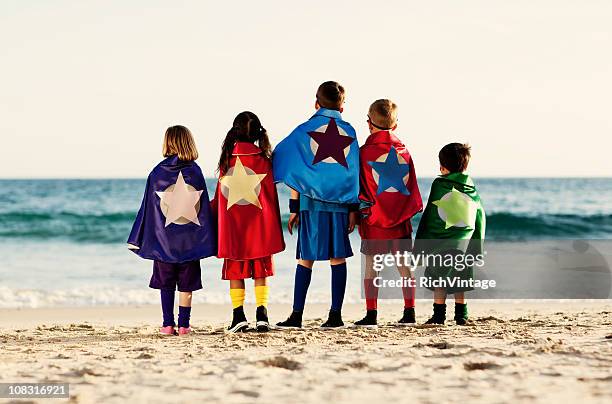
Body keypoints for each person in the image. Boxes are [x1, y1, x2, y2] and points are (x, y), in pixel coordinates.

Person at [273, 81, 360, 329]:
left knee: (305, 259)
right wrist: (354, 208)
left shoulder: (304, 130)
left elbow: (292, 167)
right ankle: (335, 316)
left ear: (316, 103)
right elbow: (353, 173)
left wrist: (293, 207)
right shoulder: (349, 131)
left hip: (310, 205)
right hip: (341, 205)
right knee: (338, 259)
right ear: (342, 106)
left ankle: (296, 315)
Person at [127, 125, 216, 335]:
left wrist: (140, 236)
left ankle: (168, 325)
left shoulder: (157, 172)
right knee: (187, 284)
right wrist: (209, 236)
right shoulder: (195, 171)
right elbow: (201, 208)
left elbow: (148, 209)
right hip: (190, 242)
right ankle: (184, 325)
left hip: (163, 242)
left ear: (167, 143)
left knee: (166, 283)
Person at [212, 111, 285, 333]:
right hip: (260, 228)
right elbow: (271, 196)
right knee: (261, 272)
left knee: (236, 271)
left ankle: (238, 316)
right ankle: (262, 314)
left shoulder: (227, 161)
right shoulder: (265, 161)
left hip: (234, 231)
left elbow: (220, 199)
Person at [354, 99, 423, 328]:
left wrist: (357, 212)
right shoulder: (405, 152)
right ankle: (409, 311)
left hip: (374, 219)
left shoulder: (363, 154)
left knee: (372, 265)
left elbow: (359, 187)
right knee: (405, 266)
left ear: (369, 123)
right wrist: (404, 211)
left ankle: (372, 313)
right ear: (395, 126)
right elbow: (410, 186)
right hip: (400, 220)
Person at [415, 143, 486, 325]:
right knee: (459, 279)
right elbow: (479, 216)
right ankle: (461, 314)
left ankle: (439, 315)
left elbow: (431, 215)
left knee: (439, 279)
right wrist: (477, 244)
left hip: (441, 246)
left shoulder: (439, 184)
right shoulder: (471, 187)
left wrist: (421, 244)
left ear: (442, 167)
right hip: (463, 245)